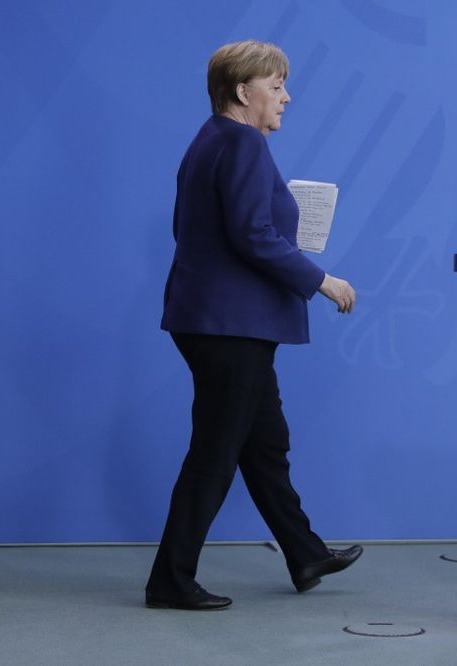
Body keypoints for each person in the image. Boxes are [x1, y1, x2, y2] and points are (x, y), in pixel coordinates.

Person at [145, 40, 361, 611]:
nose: (286, 97)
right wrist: (320, 280)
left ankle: (306, 553)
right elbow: (251, 233)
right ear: (243, 92)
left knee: (265, 445)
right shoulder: (242, 142)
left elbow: (199, 230)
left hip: (216, 319)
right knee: (214, 453)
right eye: (276, 86)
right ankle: (170, 581)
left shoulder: (210, 140)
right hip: (229, 326)